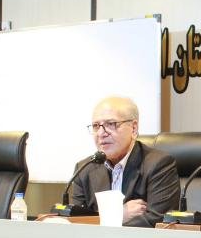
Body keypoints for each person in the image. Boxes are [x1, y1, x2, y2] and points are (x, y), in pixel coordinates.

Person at [71, 96, 179, 227]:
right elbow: (76, 223)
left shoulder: (159, 165)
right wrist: (118, 215)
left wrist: (102, 220)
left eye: (111, 124)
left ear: (133, 128)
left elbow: (158, 221)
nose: (101, 133)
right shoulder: (84, 169)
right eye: (96, 126)